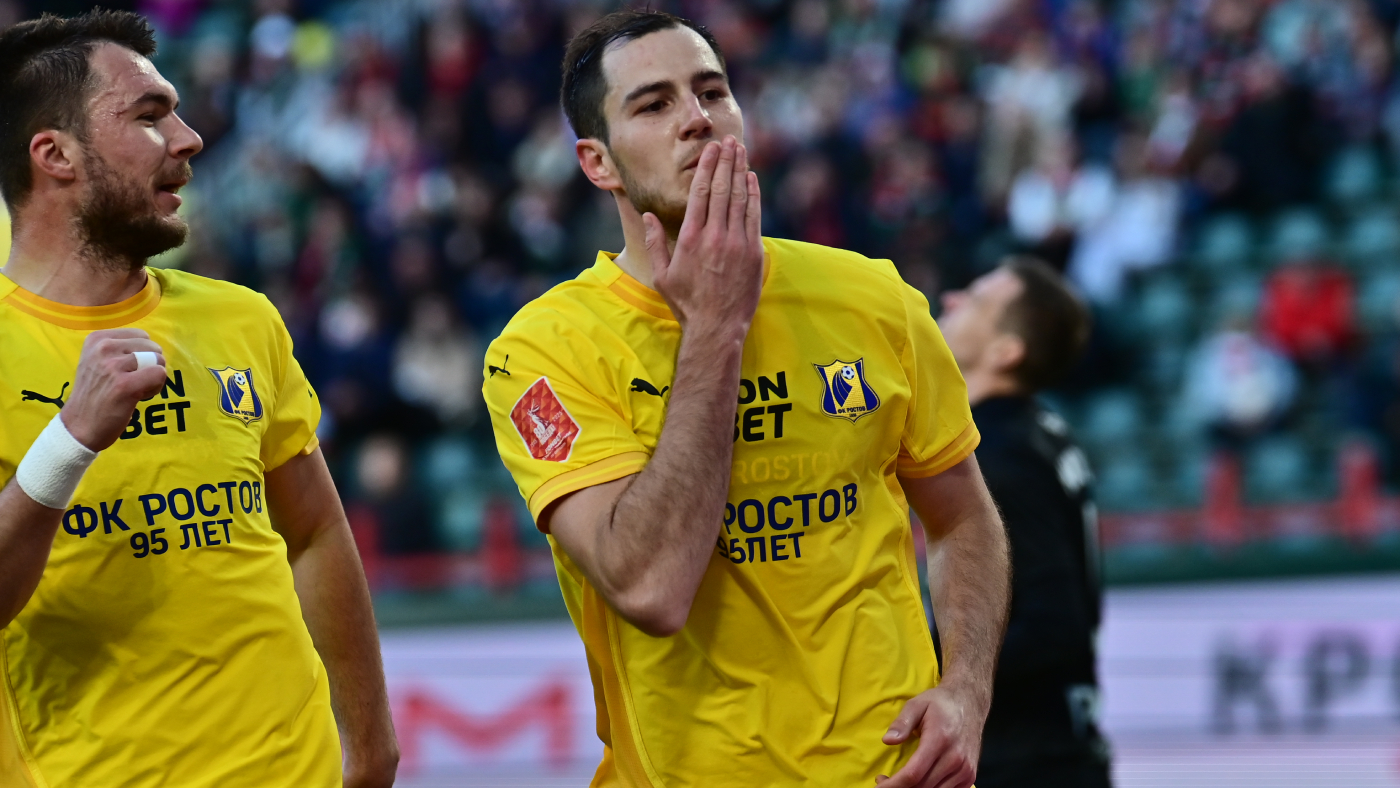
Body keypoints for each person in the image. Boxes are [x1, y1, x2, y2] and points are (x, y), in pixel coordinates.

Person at [483, 10, 1009, 788]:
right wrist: (715, 328)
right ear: (598, 162)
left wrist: (966, 690)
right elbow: (650, 587)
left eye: (712, 92)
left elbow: (962, 516)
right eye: (653, 104)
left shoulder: (874, 298)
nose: (697, 118)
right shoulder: (545, 351)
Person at [0, 12, 396, 787]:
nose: (189, 139)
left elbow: (314, 531)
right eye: (149, 116)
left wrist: (372, 738)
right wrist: (70, 439)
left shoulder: (241, 319)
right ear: (55, 155)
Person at [937, 257, 1111, 788]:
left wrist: (929, 666)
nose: (950, 299)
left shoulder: (1000, 453)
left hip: (1025, 759)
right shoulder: (1037, 431)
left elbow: (1053, 624)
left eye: (976, 300)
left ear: (1005, 352)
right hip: (1055, 746)